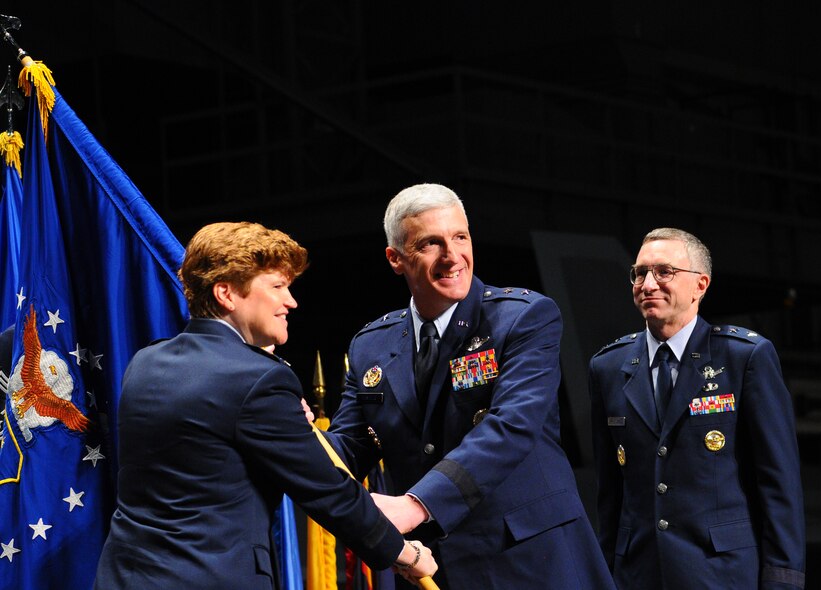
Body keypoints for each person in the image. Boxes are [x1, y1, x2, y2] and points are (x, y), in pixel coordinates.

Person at [94, 222, 436, 589]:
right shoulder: (257, 377)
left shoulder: (145, 362)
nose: (291, 301)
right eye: (277, 287)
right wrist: (404, 553)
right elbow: (326, 491)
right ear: (226, 294)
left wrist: (287, 423)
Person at [326, 184, 615, 589]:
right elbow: (350, 448)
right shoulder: (370, 345)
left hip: (530, 559)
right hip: (432, 566)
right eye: (431, 243)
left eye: (460, 237)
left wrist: (415, 506)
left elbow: (510, 428)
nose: (452, 255)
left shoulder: (524, 317)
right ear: (395, 258)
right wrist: (294, 432)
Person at [588, 227, 806, 589]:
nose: (648, 284)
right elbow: (610, 494)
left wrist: (783, 581)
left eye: (664, 272)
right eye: (640, 273)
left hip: (721, 575)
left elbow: (779, 484)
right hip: (638, 575)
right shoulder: (607, 367)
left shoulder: (743, 358)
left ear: (700, 285)